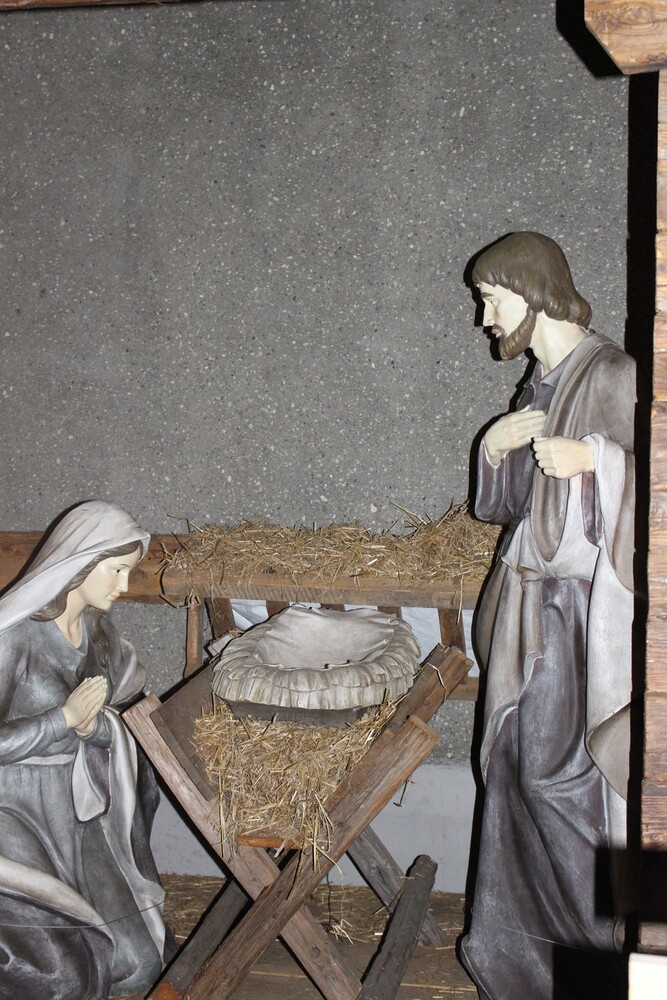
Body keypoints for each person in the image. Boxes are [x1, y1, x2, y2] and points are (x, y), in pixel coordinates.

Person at [459, 232, 636, 999]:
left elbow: (658, 488)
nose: (485, 318)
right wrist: (494, 451)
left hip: (583, 619)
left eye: (491, 299)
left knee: (562, 785)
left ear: (533, 294)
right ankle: (529, 966)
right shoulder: (537, 385)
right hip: (536, 612)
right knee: (516, 778)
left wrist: (599, 461)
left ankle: (606, 962)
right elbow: (509, 511)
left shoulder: (615, 374)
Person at [0, 500, 171, 999]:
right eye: (116, 570)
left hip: (75, 808)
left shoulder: (99, 633)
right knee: (66, 979)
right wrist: (62, 720)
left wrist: (96, 728)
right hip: (13, 813)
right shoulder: (14, 637)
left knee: (139, 966)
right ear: (79, 562)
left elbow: (110, 718)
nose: (124, 585)